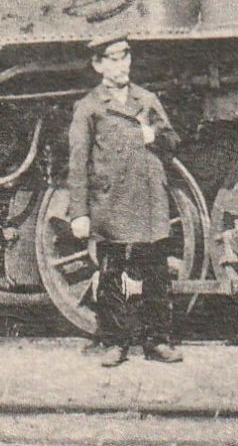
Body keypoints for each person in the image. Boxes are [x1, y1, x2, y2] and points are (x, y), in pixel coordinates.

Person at [66, 36, 183, 366]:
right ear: (98, 65)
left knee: (156, 273)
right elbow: (77, 164)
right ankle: (114, 342)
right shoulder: (89, 108)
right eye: (114, 59)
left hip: (148, 200)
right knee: (111, 274)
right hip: (111, 202)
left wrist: (155, 136)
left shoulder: (146, 99)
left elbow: (174, 141)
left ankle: (157, 341)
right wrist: (79, 213)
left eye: (126, 56)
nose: (122, 65)